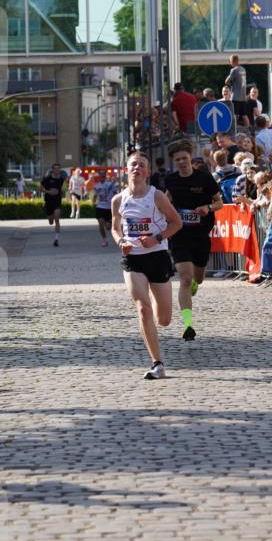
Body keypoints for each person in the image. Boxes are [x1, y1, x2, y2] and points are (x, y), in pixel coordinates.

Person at [111, 151, 182, 379]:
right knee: (143, 309)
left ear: (147, 171)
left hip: (157, 256)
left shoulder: (157, 196)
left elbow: (176, 222)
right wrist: (121, 241)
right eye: (133, 165)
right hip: (133, 259)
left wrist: (157, 238)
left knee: (164, 319)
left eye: (141, 165)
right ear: (126, 170)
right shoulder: (118, 200)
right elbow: (115, 227)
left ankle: (155, 299)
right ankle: (157, 364)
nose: (137, 168)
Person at [165, 140, 223, 341]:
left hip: (200, 236)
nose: (181, 162)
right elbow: (166, 200)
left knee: (197, 278)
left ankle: (195, 285)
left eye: (184, 158)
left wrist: (208, 207)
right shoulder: (170, 180)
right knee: (185, 279)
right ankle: (188, 324)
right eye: (177, 159)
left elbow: (219, 202)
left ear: (190, 158)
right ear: (174, 161)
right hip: (179, 236)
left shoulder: (204, 178)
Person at [40, 163, 67, 246]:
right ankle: (50, 217)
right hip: (48, 202)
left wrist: (62, 192)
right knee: (51, 221)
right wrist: (49, 192)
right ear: (52, 170)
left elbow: (64, 190)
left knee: (57, 219)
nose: (57, 170)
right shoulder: (47, 178)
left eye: (58, 169)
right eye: (55, 169)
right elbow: (40, 188)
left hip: (57, 201)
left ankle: (56, 239)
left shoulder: (62, 179)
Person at [92, 169, 118, 247]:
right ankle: (104, 240)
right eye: (101, 174)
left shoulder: (111, 184)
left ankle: (109, 224)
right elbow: (94, 196)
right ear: (99, 176)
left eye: (104, 174)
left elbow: (115, 194)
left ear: (106, 175)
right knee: (100, 223)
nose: (102, 175)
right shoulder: (96, 186)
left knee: (108, 227)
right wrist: (93, 203)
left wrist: (116, 203)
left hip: (109, 207)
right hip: (99, 206)